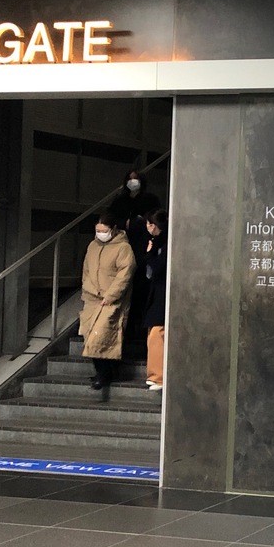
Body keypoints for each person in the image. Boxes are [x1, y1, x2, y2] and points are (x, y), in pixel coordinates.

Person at [80, 212, 136, 395]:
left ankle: (104, 375)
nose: (100, 233)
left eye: (104, 230)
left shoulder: (123, 248)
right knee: (90, 335)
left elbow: (125, 274)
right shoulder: (92, 246)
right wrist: (87, 288)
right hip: (92, 298)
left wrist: (112, 295)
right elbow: (86, 270)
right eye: (98, 230)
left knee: (102, 335)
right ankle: (104, 372)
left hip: (111, 300)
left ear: (113, 229)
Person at [108, 169, 161, 342]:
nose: (133, 182)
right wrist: (126, 223)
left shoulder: (150, 200)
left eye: (136, 179)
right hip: (123, 244)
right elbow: (111, 219)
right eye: (130, 179)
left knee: (140, 284)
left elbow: (156, 218)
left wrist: (140, 222)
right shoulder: (120, 201)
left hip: (142, 244)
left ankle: (138, 326)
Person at [143, 209, 169, 392]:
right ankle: (156, 375)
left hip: (163, 294)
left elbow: (157, 267)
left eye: (149, 223)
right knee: (155, 333)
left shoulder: (164, 243)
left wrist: (149, 254)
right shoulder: (159, 242)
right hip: (158, 293)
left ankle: (157, 376)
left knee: (156, 334)